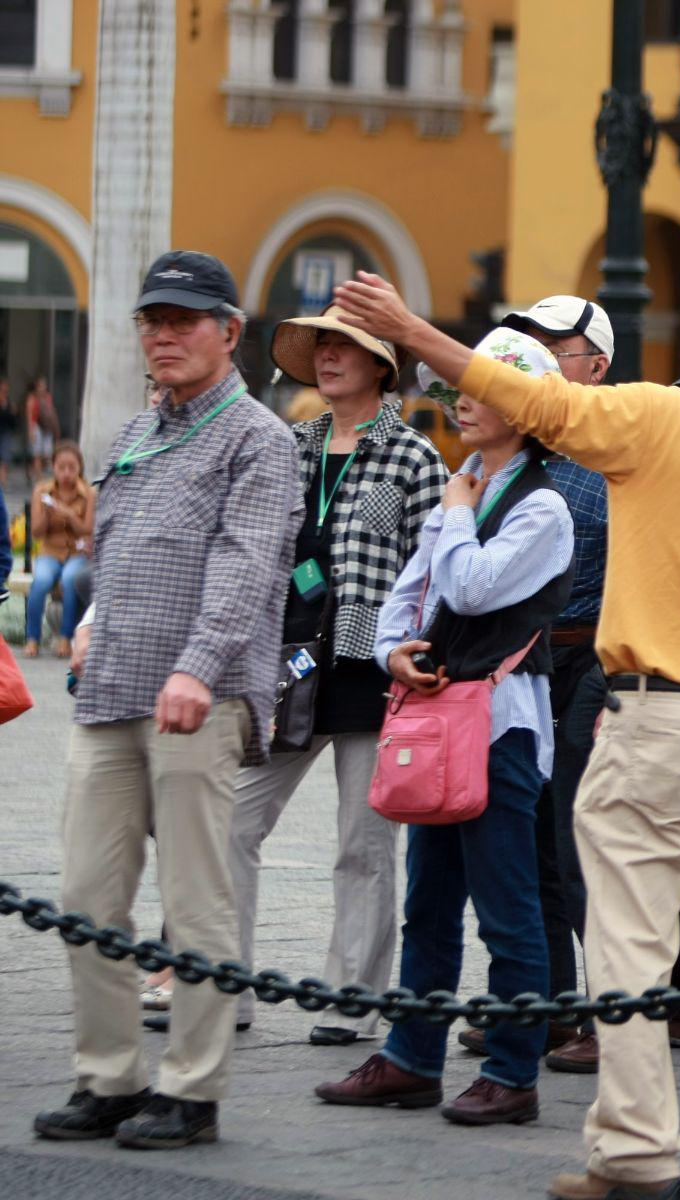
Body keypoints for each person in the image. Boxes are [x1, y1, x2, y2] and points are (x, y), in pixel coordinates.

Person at [330, 269, 680, 1200]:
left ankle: (639, 1154)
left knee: (631, 946)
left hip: (660, 718)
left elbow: (533, 399)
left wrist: (413, 326)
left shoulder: (663, 419)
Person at [32, 251, 302, 1149]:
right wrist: (96, 619)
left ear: (230, 332)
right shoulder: (133, 434)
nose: (164, 334)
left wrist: (197, 666)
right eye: (153, 319)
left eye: (185, 320)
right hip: (110, 692)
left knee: (196, 901)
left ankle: (192, 1088)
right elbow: (119, 551)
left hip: (203, 694)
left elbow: (246, 565)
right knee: (83, 894)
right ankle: (107, 1077)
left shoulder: (258, 438)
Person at [315, 327, 574, 1125]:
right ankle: (411, 1056)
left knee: (507, 905)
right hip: (440, 717)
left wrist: (457, 517)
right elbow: (409, 592)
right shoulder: (467, 483)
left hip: (502, 726)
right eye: (461, 385)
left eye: (484, 387)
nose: (462, 397)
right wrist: (391, 650)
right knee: (429, 900)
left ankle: (512, 1071)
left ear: (524, 409)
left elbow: (467, 588)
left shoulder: (546, 505)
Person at [225, 305, 446, 1046]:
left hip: (369, 667)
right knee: (231, 822)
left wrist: (417, 652)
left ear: (380, 364)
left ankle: (351, 997)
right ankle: (226, 986)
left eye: (343, 344)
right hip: (284, 665)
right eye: (319, 344)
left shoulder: (415, 458)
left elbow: (434, 573)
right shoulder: (286, 447)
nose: (326, 356)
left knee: (362, 844)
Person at [452, 295, 616, 1074]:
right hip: (524, 659)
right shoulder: (502, 454)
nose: (537, 358)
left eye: (556, 345)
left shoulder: (612, 443)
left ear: (596, 365)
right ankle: (545, 1004)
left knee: (581, 844)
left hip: (594, 659)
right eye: (527, 344)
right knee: (529, 843)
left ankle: (610, 1012)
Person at [23, 440, 94, 658]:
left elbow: (87, 530)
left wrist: (70, 515)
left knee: (70, 579)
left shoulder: (89, 493)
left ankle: (65, 637)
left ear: (79, 468)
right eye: (61, 467)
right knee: (41, 581)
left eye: (71, 468)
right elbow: (36, 532)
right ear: (53, 467)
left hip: (76, 552)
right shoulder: (42, 491)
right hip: (50, 551)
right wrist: (46, 513)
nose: (66, 473)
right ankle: (32, 638)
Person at [26, 375, 59, 475]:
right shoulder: (32, 398)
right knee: (37, 454)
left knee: (47, 453)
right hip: (36, 426)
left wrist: (56, 427)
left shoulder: (48, 397)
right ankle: (38, 476)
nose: (43, 388)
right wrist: (30, 431)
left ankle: (39, 471)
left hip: (47, 427)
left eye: (44, 385)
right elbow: (29, 415)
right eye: (41, 385)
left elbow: (52, 413)